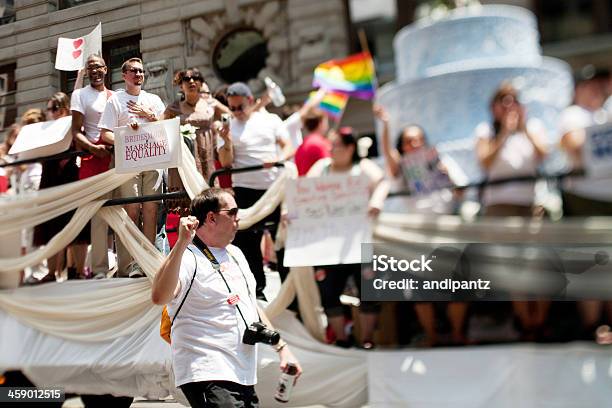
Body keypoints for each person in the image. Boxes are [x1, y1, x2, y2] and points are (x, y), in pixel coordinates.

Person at [151, 188, 302, 408]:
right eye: (232, 212)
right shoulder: (188, 257)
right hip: (207, 371)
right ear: (211, 218)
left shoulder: (235, 253)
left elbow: (250, 306)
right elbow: (159, 296)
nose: (238, 217)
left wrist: (283, 349)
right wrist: (182, 243)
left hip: (242, 373)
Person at [307, 128, 388, 348]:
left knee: (369, 289)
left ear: (350, 148)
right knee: (329, 292)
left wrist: (376, 202)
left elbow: (382, 182)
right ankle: (342, 338)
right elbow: (302, 191)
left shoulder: (362, 167)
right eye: (330, 146)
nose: (331, 150)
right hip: (328, 243)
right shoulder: (321, 168)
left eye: (336, 146)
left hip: (359, 240)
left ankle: (367, 338)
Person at [217, 82, 292, 298]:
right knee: (247, 240)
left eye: (240, 107)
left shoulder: (271, 120)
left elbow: (288, 146)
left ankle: (288, 290)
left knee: (282, 236)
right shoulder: (227, 126)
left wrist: (277, 159)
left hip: (273, 189)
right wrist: (226, 141)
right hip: (245, 188)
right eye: (232, 108)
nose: (236, 112)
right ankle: (257, 291)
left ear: (250, 101)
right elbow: (226, 162)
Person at [558, 66, 612, 339]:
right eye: (590, 85)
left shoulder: (606, 112)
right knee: (591, 263)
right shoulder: (573, 115)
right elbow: (574, 144)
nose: (596, 90)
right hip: (586, 200)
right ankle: (592, 325)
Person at [99, 57, 166, 277]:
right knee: (131, 210)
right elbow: (105, 134)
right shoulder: (115, 101)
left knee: (151, 209)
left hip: (153, 161)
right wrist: (126, 134)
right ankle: (127, 264)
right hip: (128, 162)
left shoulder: (153, 99)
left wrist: (151, 117)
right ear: (124, 75)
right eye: (134, 71)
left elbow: (167, 129)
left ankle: (145, 263)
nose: (138, 75)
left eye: (141, 71)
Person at [71, 54, 114, 279]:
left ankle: (126, 265)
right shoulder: (80, 95)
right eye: (91, 68)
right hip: (93, 156)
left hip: (115, 156)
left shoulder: (115, 96)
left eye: (98, 67)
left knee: (123, 209)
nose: (95, 71)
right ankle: (99, 268)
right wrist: (92, 149)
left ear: (106, 69)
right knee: (97, 214)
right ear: (86, 72)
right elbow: (76, 131)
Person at [475, 82, 548, 216]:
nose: (509, 106)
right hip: (498, 202)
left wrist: (524, 127)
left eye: (514, 100)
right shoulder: (486, 130)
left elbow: (543, 156)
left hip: (529, 201)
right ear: (493, 107)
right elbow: (485, 162)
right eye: (503, 101)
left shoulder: (532, 127)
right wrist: (504, 133)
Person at [164, 68, 231, 187]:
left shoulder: (211, 103)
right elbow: (158, 125)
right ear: (181, 85)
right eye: (186, 79)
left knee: (207, 189)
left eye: (195, 78)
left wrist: (221, 125)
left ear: (201, 83)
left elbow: (230, 115)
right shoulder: (173, 107)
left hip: (206, 153)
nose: (191, 81)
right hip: (185, 155)